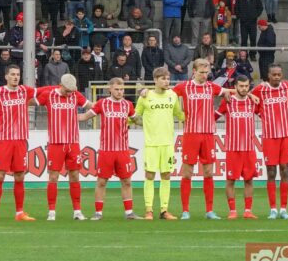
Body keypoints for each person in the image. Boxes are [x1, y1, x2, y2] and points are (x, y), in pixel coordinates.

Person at [0, 63, 36, 221]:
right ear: (6, 76)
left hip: (20, 140)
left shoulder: (25, 91)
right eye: (12, 74)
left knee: (20, 176)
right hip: (4, 140)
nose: (15, 77)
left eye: (17, 74)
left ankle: (20, 213)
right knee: (0, 175)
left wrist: (60, 87)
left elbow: (44, 91)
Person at [36, 72, 92, 221]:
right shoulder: (48, 95)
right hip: (55, 142)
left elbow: (92, 107)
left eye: (71, 91)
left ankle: (77, 211)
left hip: (73, 142)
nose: (69, 94)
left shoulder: (75, 95)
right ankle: (52, 212)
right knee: (53, 177)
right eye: (67, 91)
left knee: (74, 176)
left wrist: (85, 116)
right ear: (60, 86)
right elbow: (31, 102)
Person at [174, 58, 224, 220]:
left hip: (208, 134)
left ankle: (209, 210)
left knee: (208, 172)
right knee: (187, 172)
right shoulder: (184, 87)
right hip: (191, 134)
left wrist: (251, 95)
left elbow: (230, 93)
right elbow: (165, 94)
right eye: (201, 72)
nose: (204, 75)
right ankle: (185, 211)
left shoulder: (212, 87)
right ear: (194, 71)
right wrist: (144, 92)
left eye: (206, 72)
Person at [135, 68, 184, 220]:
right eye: (163, 78)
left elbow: (179, 114)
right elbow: (135, 116)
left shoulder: (173, 95)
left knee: (166, 175)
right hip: (151, 143)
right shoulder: (145, 96)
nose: (166, 81)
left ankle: (164, 210)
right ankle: (149, 210)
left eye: (168, 78)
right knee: (149, 175)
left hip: (168, 143)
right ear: (155, 80)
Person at [251, 65, 288, 218]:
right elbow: (249, 99)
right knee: (271, 172)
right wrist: (262, 114)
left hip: (286, 136)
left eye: (279, 74)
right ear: (269, 75)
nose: (277, 77)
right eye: (274, 74)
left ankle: (283, 209)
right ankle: (273, 209)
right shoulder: (260, 90)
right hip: (269, 136)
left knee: (285, 169)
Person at [91, 78, 138, 220]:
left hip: (123, 150)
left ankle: (129, 212)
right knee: (101, 181)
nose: (119, 92)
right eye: (117, 89)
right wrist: (70, 117)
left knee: (127, 181)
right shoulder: (102, 104)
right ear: (110, 89)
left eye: (122, 89)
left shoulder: (128, 105)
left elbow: (138, 120)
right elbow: (86, 116)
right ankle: (98, 213)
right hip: (106, 150)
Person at [220, 76, 260, 219]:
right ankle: (232, 211)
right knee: (231, 181)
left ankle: (248, 211)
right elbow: (214, 116)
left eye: (246, 86)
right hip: (233, 149)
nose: (244, 89)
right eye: (241, 86)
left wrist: (251, 94)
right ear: (235, 86)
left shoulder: (253, 102)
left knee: (249, 180)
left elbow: (265, 114)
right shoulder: (228, 101)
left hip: (249, 148)